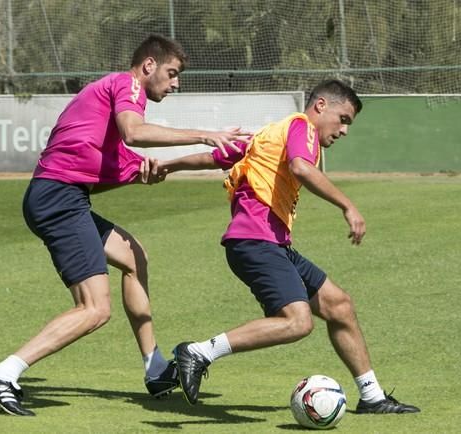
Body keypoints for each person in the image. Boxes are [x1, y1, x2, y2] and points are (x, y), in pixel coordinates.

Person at [0, 34, 248, 417]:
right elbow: (135, 133)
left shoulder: (105, 130)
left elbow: (136, 167)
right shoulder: (127, 84)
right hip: (57, 198)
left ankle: (155, 368)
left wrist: (224, 154)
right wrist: (206, 133)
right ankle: (4, 373)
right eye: (172, 73)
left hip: (61, 196)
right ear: (149, 66)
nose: (176, 84)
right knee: (94, 309)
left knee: (134, 256)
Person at [161, 79, 420, 414]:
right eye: (344, 119)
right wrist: (347, 205)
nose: (344, 131)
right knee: (297, 322)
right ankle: (199, 352)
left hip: (271, 243)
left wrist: (166, 165)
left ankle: (372, 397)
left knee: (339, 305)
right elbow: (301, 167)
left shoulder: (270, 135)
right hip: (255, 240)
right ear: (321, 105)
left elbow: (215, 157)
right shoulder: (301, 127)